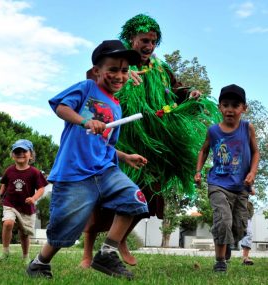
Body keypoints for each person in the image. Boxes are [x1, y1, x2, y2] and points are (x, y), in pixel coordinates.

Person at [81, 14, 220, 268]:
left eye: (154, 42)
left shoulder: (160, 69)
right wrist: (124, 78)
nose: (149, 46)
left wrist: (190, 93)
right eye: (144, 40)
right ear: (131, 38)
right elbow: (92, 80)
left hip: (150, 146)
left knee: (144, 195)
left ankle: (118, 241)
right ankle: (88, 255)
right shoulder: (117, 61)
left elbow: (175, 90)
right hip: (118, 142)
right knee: (101, 198)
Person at [26, 40, 148, 280]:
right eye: (112, 69)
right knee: (64, 229)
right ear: (97, 71)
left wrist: (125, 157)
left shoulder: (117, 107)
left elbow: (105, 145)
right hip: (74, 173)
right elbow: (60, 107)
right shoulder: (86, 88)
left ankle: (106, 253)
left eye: (124, 71)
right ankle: (39, 263)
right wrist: (84, 121)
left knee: (135, 200)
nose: (119, 76)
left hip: (104, 170)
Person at [194, 84, 260, 272]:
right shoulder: (213, 131)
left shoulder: (248, 128)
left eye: (235, 105)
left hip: (241, 187)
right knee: (222, 219)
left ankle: (227, 246)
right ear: (219, 107)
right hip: (218, 183)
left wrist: (252, 173)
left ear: (244, 108)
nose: (230, 109)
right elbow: (204, 150)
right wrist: (198, 171)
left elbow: (256, 152)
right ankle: (220, 261)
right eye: (225, 105)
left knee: (239, 228)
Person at [0, 139, 47, 265]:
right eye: (16, 151)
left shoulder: (35, 172)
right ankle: (5, 251)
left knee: (24, 233)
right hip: (10, 204)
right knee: (8, 223)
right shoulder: (9, 170)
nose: (20, 153)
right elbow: (4, 184)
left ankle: (25, 256)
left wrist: (34, 198)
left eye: (23, 151)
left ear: (31, 155)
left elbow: (42, 188)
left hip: (26, 208)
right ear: (12, 155)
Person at [240, 188, 255, 265]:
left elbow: (253, 192)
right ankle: (223, 258)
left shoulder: (246, 177)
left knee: (248, 233)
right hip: (232, 205)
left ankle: (245, 258)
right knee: (228, 231)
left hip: (245, 210)